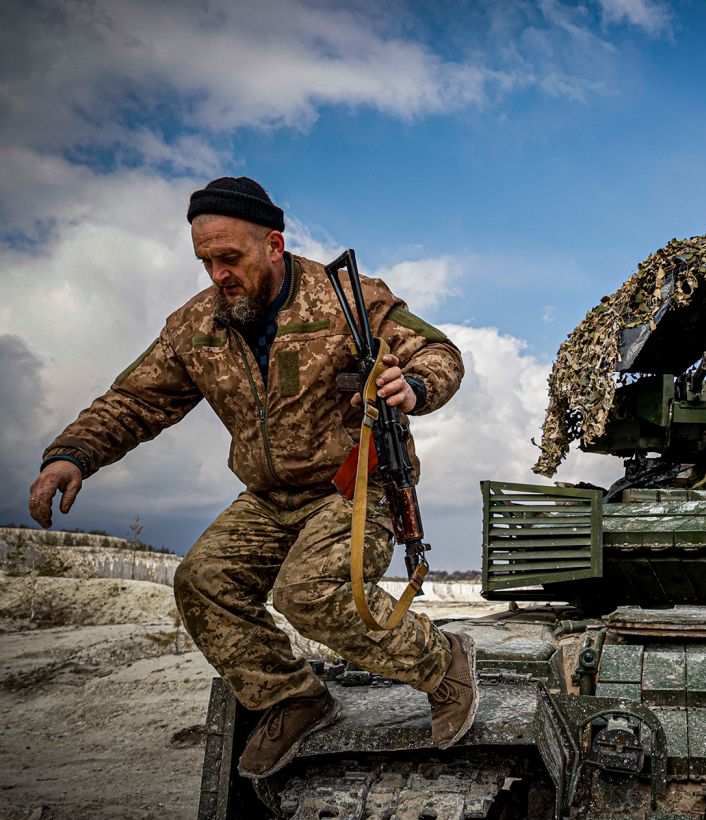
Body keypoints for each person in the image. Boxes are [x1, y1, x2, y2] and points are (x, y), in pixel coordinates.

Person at [26, 177, 478, 779]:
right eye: (205, 261)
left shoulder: (347, 300)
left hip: (356, 486)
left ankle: (441, 663)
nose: (217, 274)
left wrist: (414, 386)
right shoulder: (197, 327)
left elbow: (438, 352)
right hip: (268, 498)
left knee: (309, 592)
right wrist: (73, 454)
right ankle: (293, 698)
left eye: (229, 258)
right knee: (203, 582)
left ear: (273, 244)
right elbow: (135, 401)